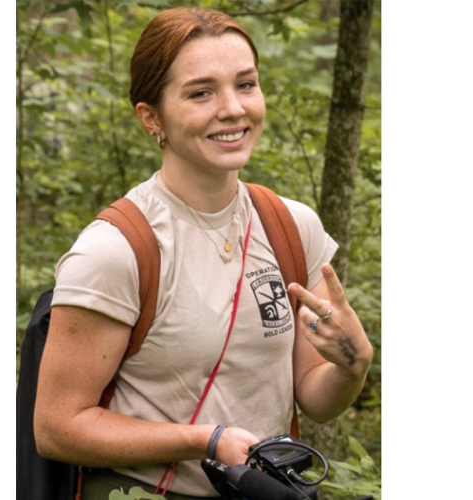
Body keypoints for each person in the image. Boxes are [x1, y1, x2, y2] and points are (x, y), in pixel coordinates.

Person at [33, 8, 372, 499]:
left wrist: (352, 365)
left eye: (246, 84)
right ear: (152, 118)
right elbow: (57, 427)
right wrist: (204, 441)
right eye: (201, 92)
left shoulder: (292, 226)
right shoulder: (116, 250)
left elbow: (314, 398)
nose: (233, 108)